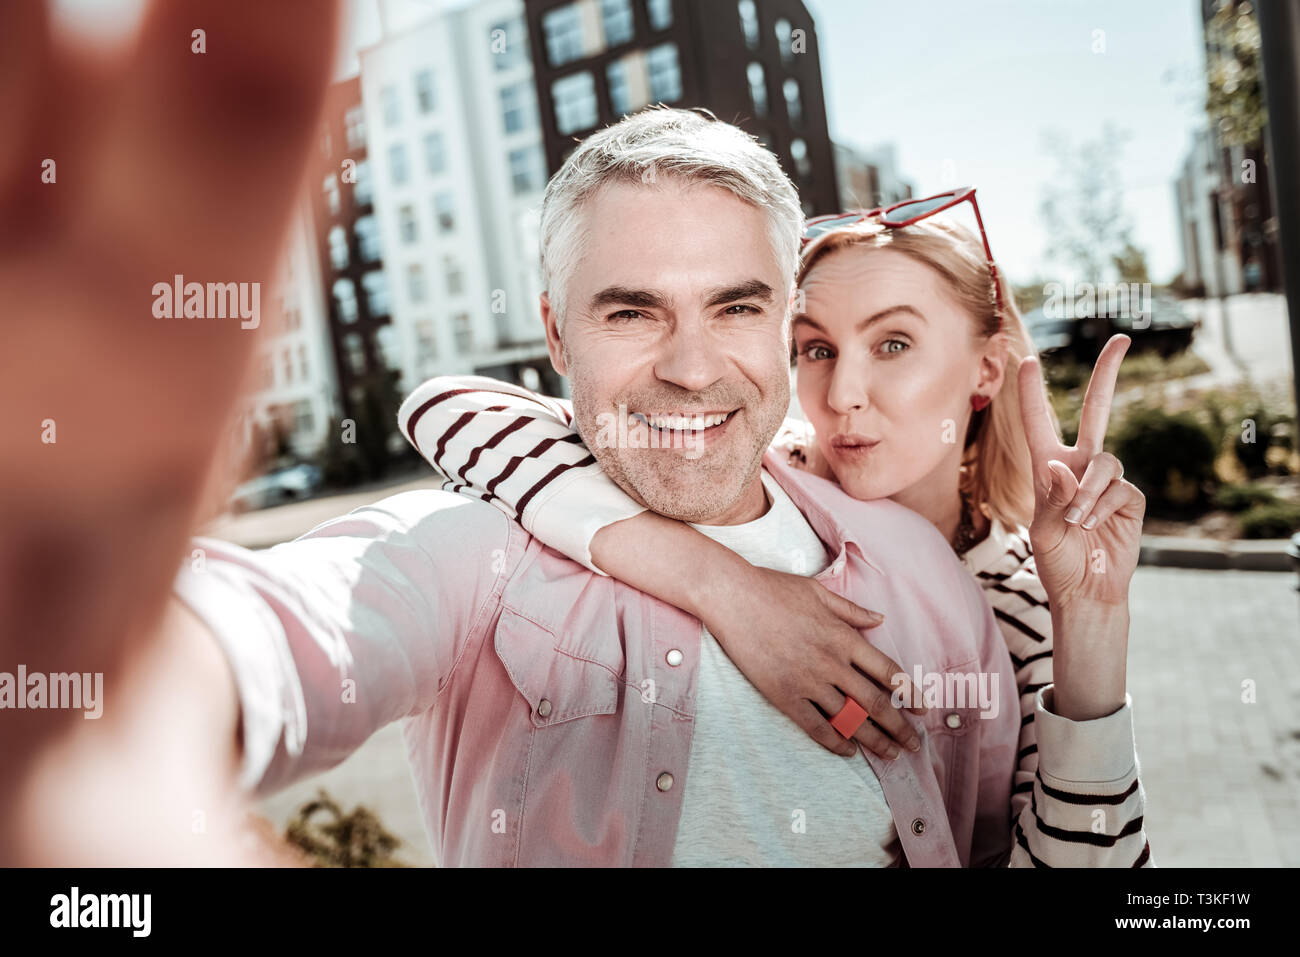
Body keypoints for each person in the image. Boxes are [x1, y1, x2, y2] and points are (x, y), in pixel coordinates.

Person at [401, 188, 1152, 866]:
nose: (843, 394)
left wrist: (1089, 622)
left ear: (987, 370)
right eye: (816, 348)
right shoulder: (764, 473)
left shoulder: (1019, 598)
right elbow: (451, 412)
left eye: (893, 344)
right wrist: (722, 582)